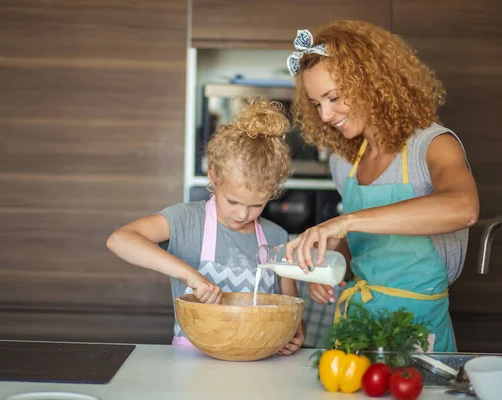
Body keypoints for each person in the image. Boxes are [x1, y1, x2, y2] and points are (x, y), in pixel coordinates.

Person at [284, 20, 479, 352]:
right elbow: (362, 244)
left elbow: (464, 208)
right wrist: (332, 264)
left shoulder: (431, 146)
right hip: (357, 326)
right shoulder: (344, 161)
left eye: (333, 97)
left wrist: (345, 222)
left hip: (419, 330)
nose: (326, 115)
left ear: (371, 82)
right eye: (318, 104)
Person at [106, 98, 305, 355]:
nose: (243, 214)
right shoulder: (187, 221)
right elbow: (120, 240)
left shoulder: (276, 235)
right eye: (232, 201)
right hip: (193, 356)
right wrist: (190, 275)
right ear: (213, 177)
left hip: (259, 358)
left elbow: (290, 310)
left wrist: (296, 333)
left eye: (257, 205)